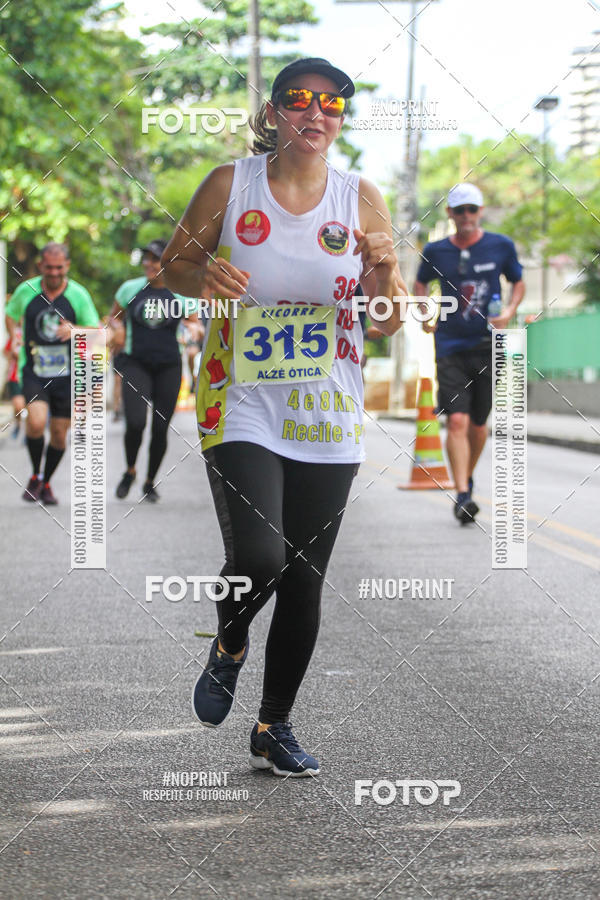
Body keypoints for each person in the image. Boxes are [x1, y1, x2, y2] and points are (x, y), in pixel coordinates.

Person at [162, 57, 405, 777]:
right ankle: (230, 640)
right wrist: (199, 274)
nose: (316, 113)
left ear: (339, 121)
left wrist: (386, 272)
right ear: (273, 113)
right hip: (240, 400)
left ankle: (274, 725)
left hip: (328, 411)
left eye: (331, 105)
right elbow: (172, 266)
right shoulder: (228, 185)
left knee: (302, 579)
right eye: (300, 101)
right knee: (262, 557)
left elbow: (388, 325)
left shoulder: (360, 197)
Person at [415, 183, 525, 524]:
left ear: (480, 212)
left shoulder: (500, 246)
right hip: (449, 346)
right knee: (457, 420)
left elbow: (518, 281)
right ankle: (462, 494)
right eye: (459, 210)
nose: (466, 216)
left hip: (489, 345)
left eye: (472, 209)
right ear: (450, 213)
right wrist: (423, 311)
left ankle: (467, 475)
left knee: (479, 425)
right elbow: (420, 284)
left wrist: (508, 311)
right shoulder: (435, 251)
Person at [5, 243, 100, 505]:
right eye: (49, 268)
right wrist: (14, 336)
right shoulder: (27, 291)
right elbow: (10, 315)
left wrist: (75, 330)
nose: (54, 272)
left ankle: (44, 481)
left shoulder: (78, 295)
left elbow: (95, 330)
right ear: (40, 266)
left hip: (69, 375)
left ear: (67, 266)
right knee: (36, 422)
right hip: (34, 369)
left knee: (59, 434)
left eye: (59, 268)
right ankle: (36, 472)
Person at [109, 239, 201, 502]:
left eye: (156, 259)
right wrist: (117, 329)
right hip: (135, 363)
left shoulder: (180, 294)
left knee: (160, 428)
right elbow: (113, 318)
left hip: (169, 366)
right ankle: (129, 471)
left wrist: (194, 330)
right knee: (135, 423)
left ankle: (150, 480)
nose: (150, 264)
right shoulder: (130, 289)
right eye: (147, 258)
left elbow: (195, 324)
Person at [3, 324, 26, 438]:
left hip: (31, 375)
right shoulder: (15, 333)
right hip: (15, 376)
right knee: (18, 406)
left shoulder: (34, 331)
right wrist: (12, 356)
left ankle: (29, 430)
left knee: (30, 406)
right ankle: (18, 424)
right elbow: (5, 351)